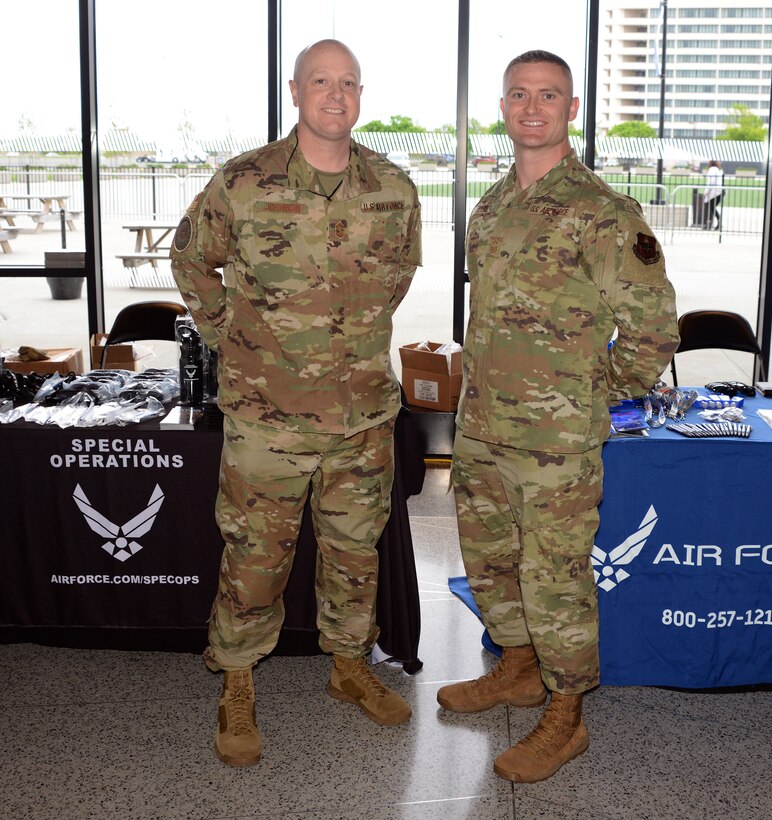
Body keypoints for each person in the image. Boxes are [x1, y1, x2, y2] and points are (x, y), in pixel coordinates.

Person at [170, 39, 422, 767]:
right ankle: (238, 680)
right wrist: (229, 333)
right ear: (294, 91)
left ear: (360, 94)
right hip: (267, 417)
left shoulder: (393, 187)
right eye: (321, 81)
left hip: (362, 416)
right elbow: (190, 255)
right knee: (255, 555)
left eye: (347, 83)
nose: (335, 95)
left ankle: (348, 667)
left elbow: (397, 275)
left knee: (353, 553)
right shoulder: (245, 181)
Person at [436, 50, 679, 783]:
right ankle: (515, 668)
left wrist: (585, 390)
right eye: (518, 94)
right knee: (491, 562)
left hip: (554, 444)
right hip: (481, 429)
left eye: (548, 95)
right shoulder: (490, 206)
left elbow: (652, 330)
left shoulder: (603, 212)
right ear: (502, 106)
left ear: (572, 110)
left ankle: (566, 716)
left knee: (555, 578)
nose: (532, 107)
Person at [703, 160, 724, 230]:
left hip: (715, 192)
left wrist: (706, 191)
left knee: (710, 208)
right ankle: (716, 223)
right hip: (718, 191)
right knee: (712, 208)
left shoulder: (712, 170)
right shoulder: (717, 170)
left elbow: (711, 182)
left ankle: (710, 224)